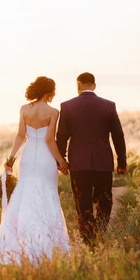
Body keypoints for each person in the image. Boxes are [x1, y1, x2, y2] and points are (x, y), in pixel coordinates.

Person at [0, 76, 70, 265]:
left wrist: (11, 159)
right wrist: (61, 161)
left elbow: (20, 135)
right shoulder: (53, 112)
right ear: (48, 92)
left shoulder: (24, 109)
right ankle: (45, 242)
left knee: (26, 194)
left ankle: (20, 239)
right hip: (45, 158)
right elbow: (49, 141)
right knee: (46, 194)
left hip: (28, 157)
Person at [57, 72, 127, 247]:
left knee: (82, 201)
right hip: (102, 162)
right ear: (94, 86)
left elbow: (62, 136)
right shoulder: (109, 106)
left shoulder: (67, 106)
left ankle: (89, 239)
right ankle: (100, 232)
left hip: (78, 163)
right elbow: (118, 135)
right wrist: (122, 161)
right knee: (105, 200)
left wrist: (61, 160)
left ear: (78, 85)